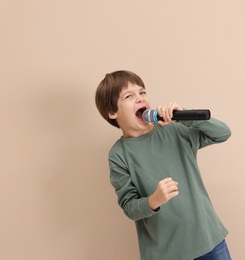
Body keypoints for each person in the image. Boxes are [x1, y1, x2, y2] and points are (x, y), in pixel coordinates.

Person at [95, 70, 232, 260]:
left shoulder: (175, 130)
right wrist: (154, 200)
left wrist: (184, 116)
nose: (139, 99)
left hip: (209, 241)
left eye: (142, 92)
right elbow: (129, 206)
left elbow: (223, 133)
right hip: (165, 253)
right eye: (129, 96)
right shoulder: (119, 155)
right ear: (112, 112)